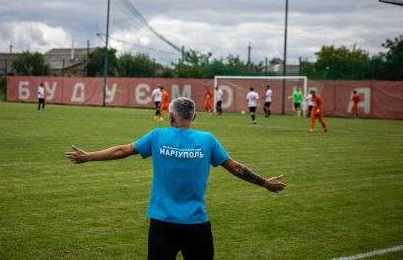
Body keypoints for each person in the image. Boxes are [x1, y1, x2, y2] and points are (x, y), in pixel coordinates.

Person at [66, 97, 286, 260]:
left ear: (170, 116)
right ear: (194, 116)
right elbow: (236, 168)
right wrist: (264, 182)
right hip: (196, 225)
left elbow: (122, 151)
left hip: (162, 224)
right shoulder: (207, 140)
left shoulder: (158, 136)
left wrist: (88, 157)